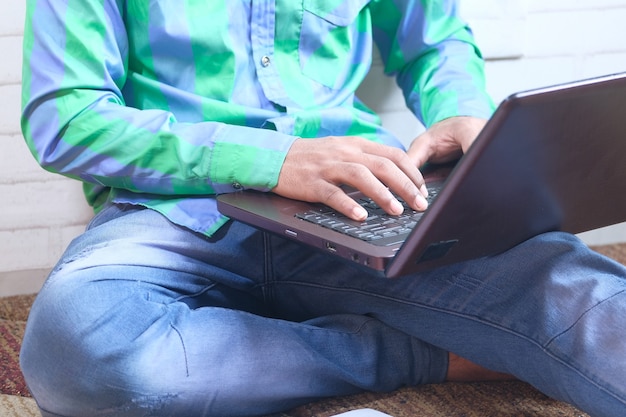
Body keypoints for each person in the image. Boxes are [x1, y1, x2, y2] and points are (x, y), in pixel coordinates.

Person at [18, 1, 626, 416]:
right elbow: (64, 116)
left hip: (366, 198)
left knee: (577, 292)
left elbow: (433, 40)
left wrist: (457, 111)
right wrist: (274, 159)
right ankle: (424, 353)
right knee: (75, 348)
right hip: (173, 209)